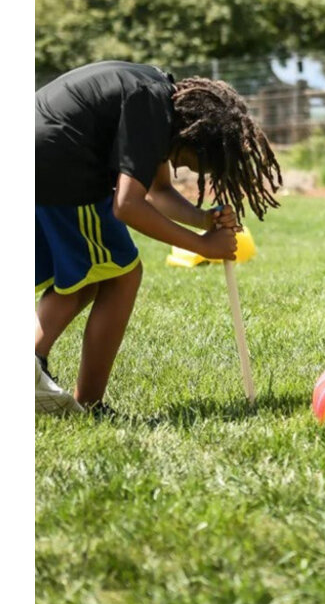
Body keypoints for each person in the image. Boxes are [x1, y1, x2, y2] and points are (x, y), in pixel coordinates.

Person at [35, 61, 282, 415]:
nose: (198, 172)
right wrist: (202, 246)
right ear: (194, 139)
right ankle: (86, 402)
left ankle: (38, 369)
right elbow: (128, 205)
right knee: (122, 275)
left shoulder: (158, 101)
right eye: (202, 164)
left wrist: (203, 220)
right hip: (58, 159)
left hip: (42, 152)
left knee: (92, 276)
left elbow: (158, 190)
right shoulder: (151, 107)